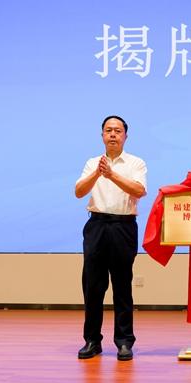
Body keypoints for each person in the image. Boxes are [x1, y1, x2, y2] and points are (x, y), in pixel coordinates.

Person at [75, 115, 147, 360]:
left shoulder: (136, 163)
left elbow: (139, 190)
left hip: (123, 226)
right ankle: (92, 341)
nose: (113, 134)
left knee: (122, 286)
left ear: (126, 136)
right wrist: (98, 172)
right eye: (108, 130)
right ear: (102, 136)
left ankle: (124, 342)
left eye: (117, 130)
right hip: (96, 226)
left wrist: (112, 174)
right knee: (92, 286)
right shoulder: (92, 163)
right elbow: (79, 192)